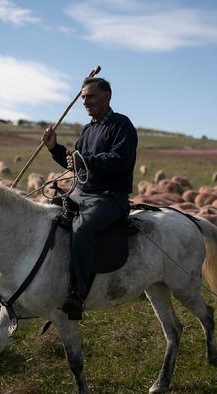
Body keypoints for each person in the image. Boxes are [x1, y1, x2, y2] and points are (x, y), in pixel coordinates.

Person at [42, 77, 138, 319]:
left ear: (106, 97)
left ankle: (77, 293)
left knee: (83, 229)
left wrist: (86, 160)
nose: (85, 102)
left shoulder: (121, 125)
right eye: (83, 97)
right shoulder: (88, 129)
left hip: (110, 196)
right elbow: (74, 164)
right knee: (49, 213)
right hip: (82, 193)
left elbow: (120, 160)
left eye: (90, 96)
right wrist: (54, 148)